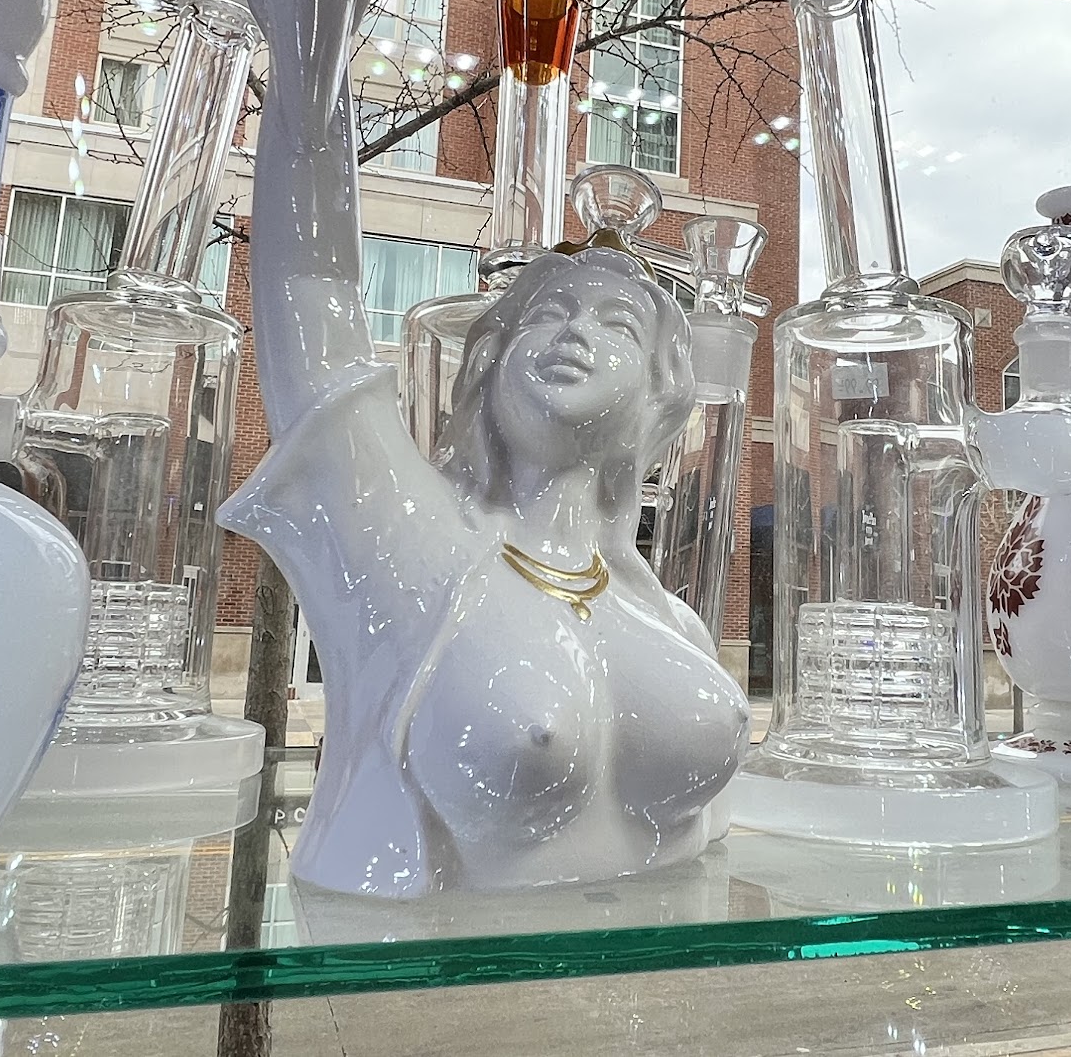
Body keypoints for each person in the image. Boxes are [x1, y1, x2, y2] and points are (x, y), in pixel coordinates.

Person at [221, 85, 749, 899]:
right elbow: (313, 297)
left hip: (661, 962)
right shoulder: (418, 544)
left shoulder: (671, 620)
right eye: (547, 313)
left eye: (617, 324)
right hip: (421, 969)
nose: (575, 331)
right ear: (490, 364)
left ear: (659, 399)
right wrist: (308, 73)